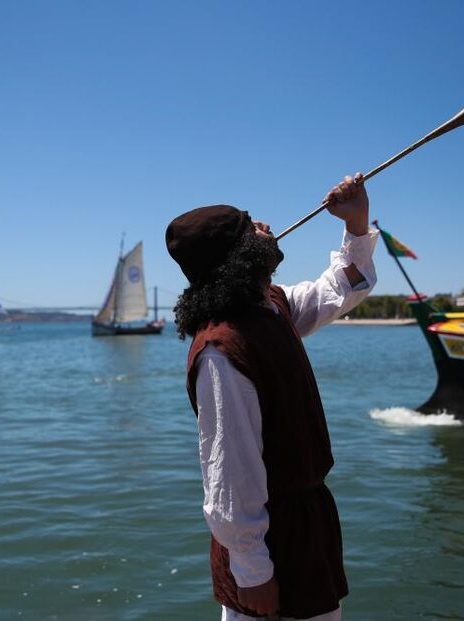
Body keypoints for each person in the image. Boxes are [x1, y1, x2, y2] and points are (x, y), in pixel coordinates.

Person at [165, 173, 377, 621]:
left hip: (302, 532)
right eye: (249, 227)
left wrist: (357, 225)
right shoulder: (222, 352)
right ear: (237, 258)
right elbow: (229, 477)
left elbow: (338, 288)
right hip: (268, 549)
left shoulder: (271, 306)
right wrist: (253, 573)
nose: (264, 224)